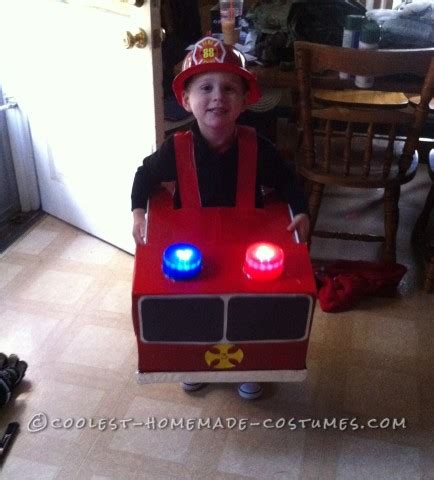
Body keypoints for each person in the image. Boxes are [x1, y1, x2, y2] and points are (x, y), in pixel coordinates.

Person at [131, 36, 310, 400]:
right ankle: (193, 362)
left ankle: (252, 364)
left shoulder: (258, 147)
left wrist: (301, 209)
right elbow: (144, 176)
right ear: (185, 100)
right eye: (205, 88)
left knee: (251, 306)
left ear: (244, 101)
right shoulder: (175, 147)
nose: (217, 97)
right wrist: (138, 212)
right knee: (192, 304)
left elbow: (288, 180)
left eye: (229, 88)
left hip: (244, 241)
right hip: (192, 242)